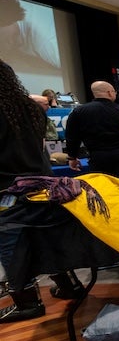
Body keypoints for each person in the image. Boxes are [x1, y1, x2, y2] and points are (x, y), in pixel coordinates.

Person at [0, 58, 53, 323]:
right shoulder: (31, 108)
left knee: (11, 245)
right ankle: (70, 285)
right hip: (40, 181)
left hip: (8, 188)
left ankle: (27, 303)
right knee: (47, 237)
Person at [63, 81, 119, 178]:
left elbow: (72, 136)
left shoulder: (79, 111)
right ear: (110, 92)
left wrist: (72, 157)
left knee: (102, 187)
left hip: (97, 157)